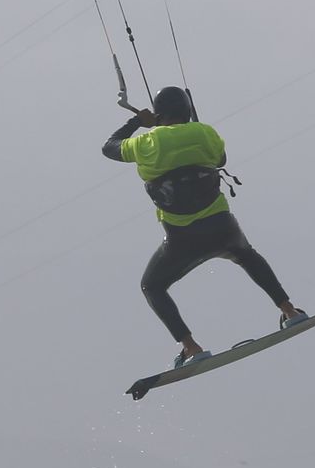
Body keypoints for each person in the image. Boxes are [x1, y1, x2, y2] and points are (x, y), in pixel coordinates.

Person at [103, 86, 304, 367]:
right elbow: (220, 160)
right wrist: (193, 130)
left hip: (182, 237)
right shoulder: (206, 133)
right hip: (222, 227)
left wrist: (138, 122)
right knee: (246, 254)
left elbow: (109, 147)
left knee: (152, 285)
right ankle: (290, 311)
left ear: (160, 115)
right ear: (187, 112)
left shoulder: (147, 142)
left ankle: (191, 347)